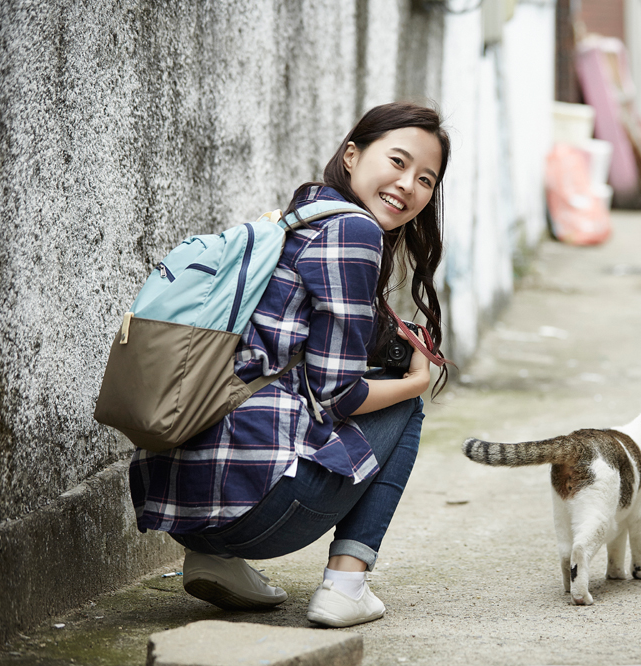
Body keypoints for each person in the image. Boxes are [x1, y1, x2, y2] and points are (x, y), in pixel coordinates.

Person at [129, 102, 451, 628]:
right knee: (406, 406)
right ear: (352, 155)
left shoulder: (296, 218)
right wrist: (415, 381)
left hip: (178, 506)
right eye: (396, 161)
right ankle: (346, 586)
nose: (408, 184)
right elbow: (339, 395)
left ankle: (215, 560)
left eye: (425, 178)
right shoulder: (356, 233)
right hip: (254, 512)